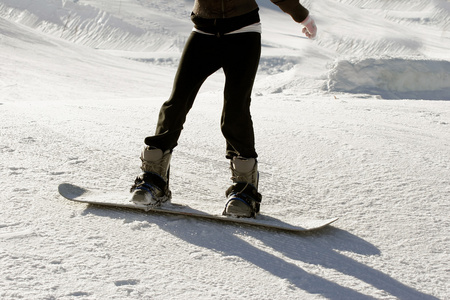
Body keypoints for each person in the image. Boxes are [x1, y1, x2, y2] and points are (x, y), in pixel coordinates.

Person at [130, 0, 317, 218]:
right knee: (176, 103)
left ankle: (245, 191)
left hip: (243, 33)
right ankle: (154, 180)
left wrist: (302, 16)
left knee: (236, 108)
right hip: (203, 33)